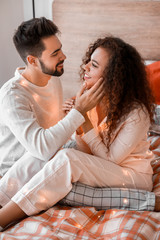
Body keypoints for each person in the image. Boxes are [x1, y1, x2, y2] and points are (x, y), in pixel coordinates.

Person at [0, 36, 157, 229]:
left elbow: (110, 160)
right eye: (88, 62)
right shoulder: (90, 99)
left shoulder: (136, 113)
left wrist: (85, 122)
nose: (85, 68)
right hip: (102, 169)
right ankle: (1, 198)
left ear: (114, 75)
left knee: (66, 159)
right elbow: (87, 152)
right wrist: (77, 121)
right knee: (44, 155)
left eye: (94, 65)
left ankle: (3, 218)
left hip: (131, 176)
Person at [0, 17, 104, 206]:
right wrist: (79, 112)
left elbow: (54, 135)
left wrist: (69, 116)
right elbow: (42, 149)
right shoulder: (12, 96)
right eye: (55, 53)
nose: (63, 56)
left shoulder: (52, 78)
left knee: (93, 171)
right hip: (16, 178)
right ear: (32, 60)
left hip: (50, 161)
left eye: (61, 49)